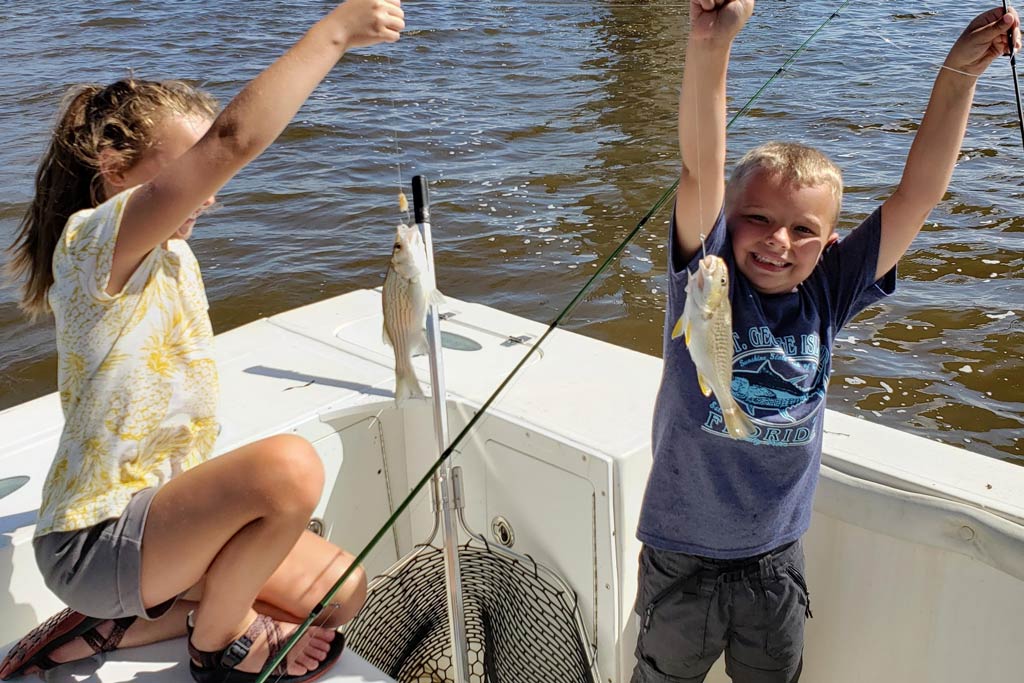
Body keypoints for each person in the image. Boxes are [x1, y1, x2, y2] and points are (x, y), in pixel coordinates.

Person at [0, 1, 405, 681]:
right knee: (291, 469)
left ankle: (117, 626)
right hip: (94, 545)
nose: (209, 191)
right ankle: (216, 645)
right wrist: (334, 33)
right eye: (188, 169)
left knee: (343, 591)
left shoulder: (172, 256)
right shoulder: (95, 241)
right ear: (115, 166)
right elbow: (233, 140)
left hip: (158, 531)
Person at [633, 2, 1020, 682]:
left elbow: (917, 196)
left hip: (777, 558)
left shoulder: (829, 290)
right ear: (726, 220)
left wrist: (960, 74)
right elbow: (700, 170)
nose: (779, 241)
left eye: (802, 230)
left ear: (831, 244)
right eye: (757, 218)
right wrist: (711, 45)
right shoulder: (708, 269)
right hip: (681, 552)